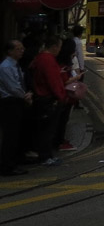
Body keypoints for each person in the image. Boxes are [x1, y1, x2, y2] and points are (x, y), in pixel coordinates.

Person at [28, 35, 68, 166]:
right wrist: (62, 97)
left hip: (41, 99)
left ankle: (45, 155)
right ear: (54, 47)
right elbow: (54, 82)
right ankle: (45, 157)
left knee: (43, 130)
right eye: (59, 47)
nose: (60, 50)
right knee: (48, 131)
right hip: (48, 100)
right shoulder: (48, 60)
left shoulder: (39, 58)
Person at [0, 39, 33, 176]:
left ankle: (15, 161)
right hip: (10, 103)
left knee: (17, 134)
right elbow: (13, 87)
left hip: (17, 102)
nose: (22, 50)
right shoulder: (6, 66)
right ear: (10, 51)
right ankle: (7, 166)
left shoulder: (15, 65)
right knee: (10, 136)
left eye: (22, 48)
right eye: (19, 48)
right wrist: (26, 96)